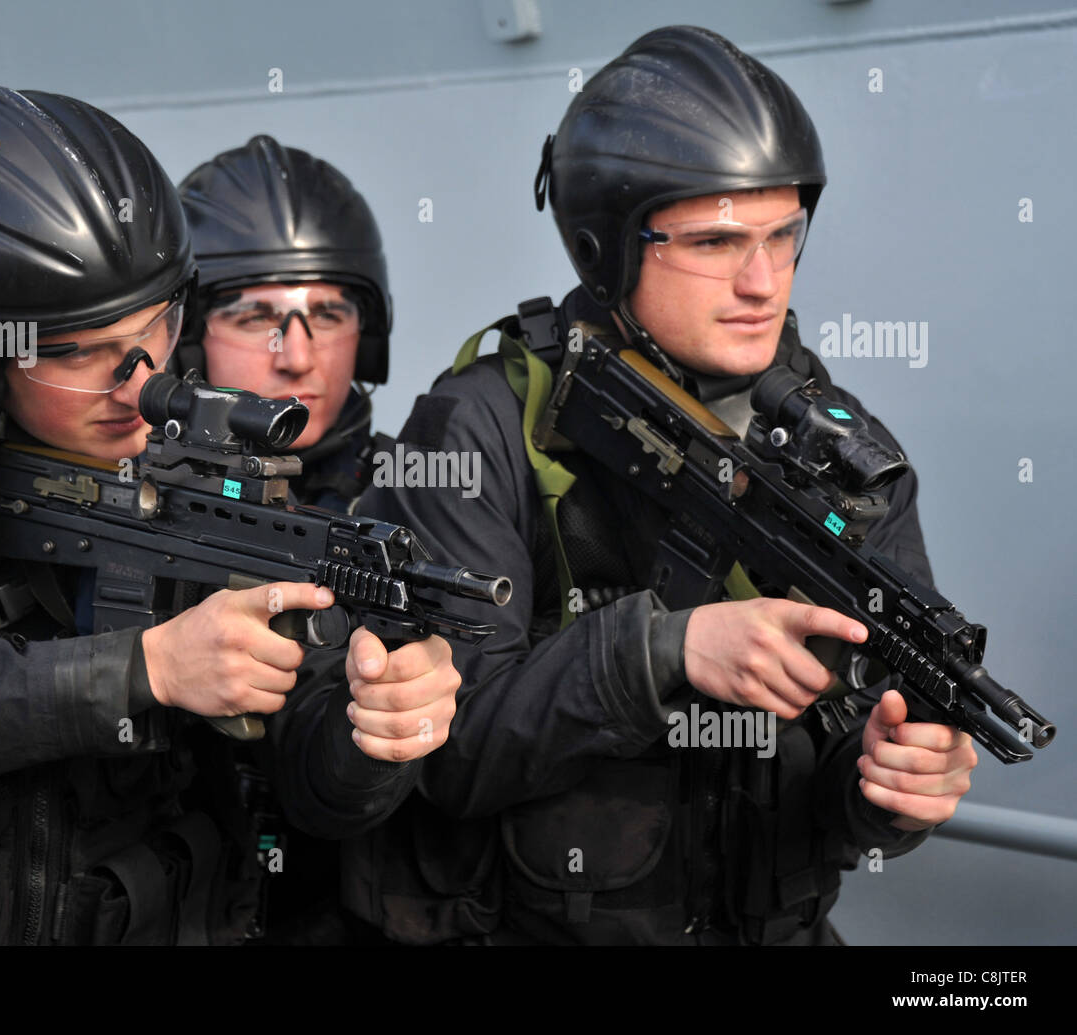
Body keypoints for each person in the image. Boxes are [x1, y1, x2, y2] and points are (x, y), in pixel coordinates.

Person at [0, 87, 458, 945]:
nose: (137, 386)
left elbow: (308, 791)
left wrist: (374, 731)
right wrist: (143, 669)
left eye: (154, 333)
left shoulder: (193, 468)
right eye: (75, 352)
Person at [344, 25, 977, 945]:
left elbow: (855, 758)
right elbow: (448, 756)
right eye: (716, 242)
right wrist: (664, 652)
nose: (763, 282)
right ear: (608, 245)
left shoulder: (838, 445)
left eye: (783, 235)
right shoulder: (483, 427)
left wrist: (895, 787)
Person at [174, 136, 419, 941]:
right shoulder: (129, 499)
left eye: (329, 313)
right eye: (254, 316)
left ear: (367, 334)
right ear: (188, 336)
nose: (298, 356)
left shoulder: (423, 499)